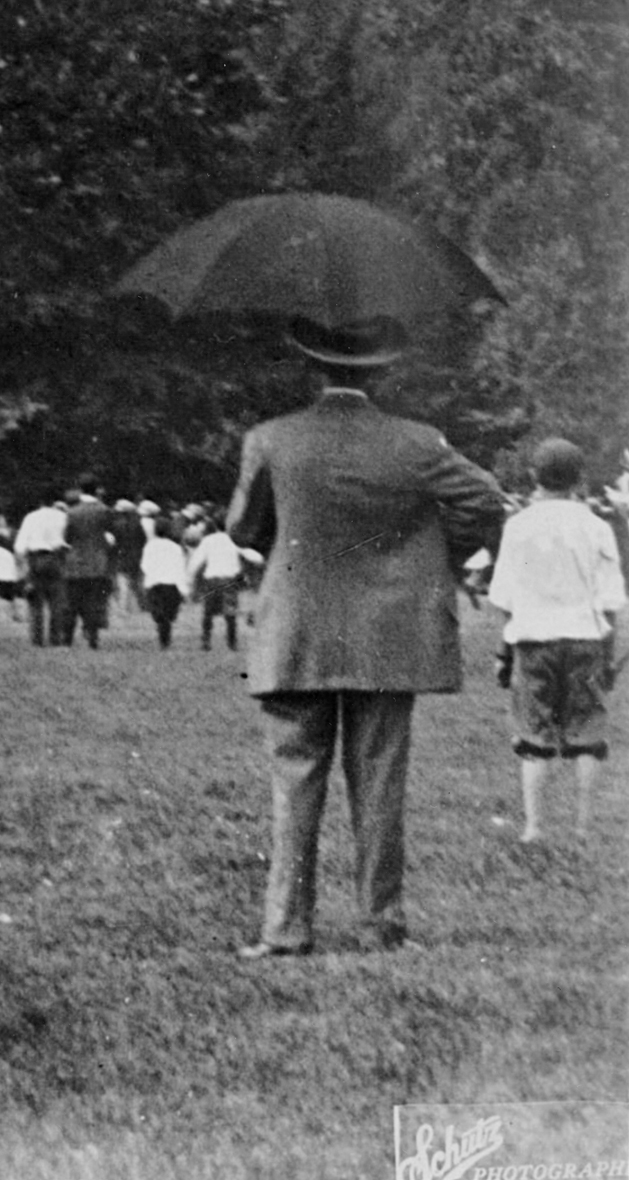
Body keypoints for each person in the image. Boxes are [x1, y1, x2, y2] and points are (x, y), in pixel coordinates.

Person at [228, 317, 503, 959]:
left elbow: (242, 530)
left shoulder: (270, 438)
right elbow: (487, 500)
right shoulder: (416, 442)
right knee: (380, 783)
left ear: (312, 368)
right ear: (380, 372)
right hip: (389, 632)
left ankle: (285, 930)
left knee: (295, 782)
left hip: (297, 628)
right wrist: (437, 555)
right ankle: (381, 926)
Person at [485, 437, 624, 846]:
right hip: (585, 639)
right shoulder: (596, 526)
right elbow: (610, 599)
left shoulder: (519, 526)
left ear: (533, 476)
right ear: (580, 478)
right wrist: (608, 658)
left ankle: (535, 827)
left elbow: (507, 599)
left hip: (534, 641)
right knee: (586, 732)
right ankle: (582, 828)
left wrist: (503, 652)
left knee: (534, 732)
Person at [58, 483, 114, 649]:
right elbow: (110, 535)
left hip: (75, 562)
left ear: (81, 490)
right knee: (94, 602)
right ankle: (93, 638)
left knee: (71, 603)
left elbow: (67, 537)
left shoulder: (71, 512)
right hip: (97, 562)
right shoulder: (104, 510)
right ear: (96, 490)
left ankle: (67, 640)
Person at [12, 495, 68, 647]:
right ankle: (56, 638)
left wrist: (22, 564)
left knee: (36, 602)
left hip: (36, 559)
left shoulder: (31, 517)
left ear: (40, 501)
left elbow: (19, 545)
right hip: (57, 558)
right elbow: (68, 540)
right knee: (57, 601)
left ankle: (37, 640)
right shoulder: (63, 516)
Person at [190, 518, 248, 652]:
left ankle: (206, 641)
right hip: (229, 580)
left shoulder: (207, 541)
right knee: (230, 613)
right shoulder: (231, 541)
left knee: (208, 613)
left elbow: (196, 560)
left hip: (212, 581)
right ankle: (232, 643)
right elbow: (242, 557)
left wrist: (189, 577)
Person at [140, 514, 191, 650]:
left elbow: (144, 566)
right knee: (168, 615)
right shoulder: (175, 548)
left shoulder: (149, 547)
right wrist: (184, 589)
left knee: (159, 613)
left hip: (154, 584)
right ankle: (165, 640)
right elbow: (180, 568)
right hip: (171, 585)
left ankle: (163, 636)